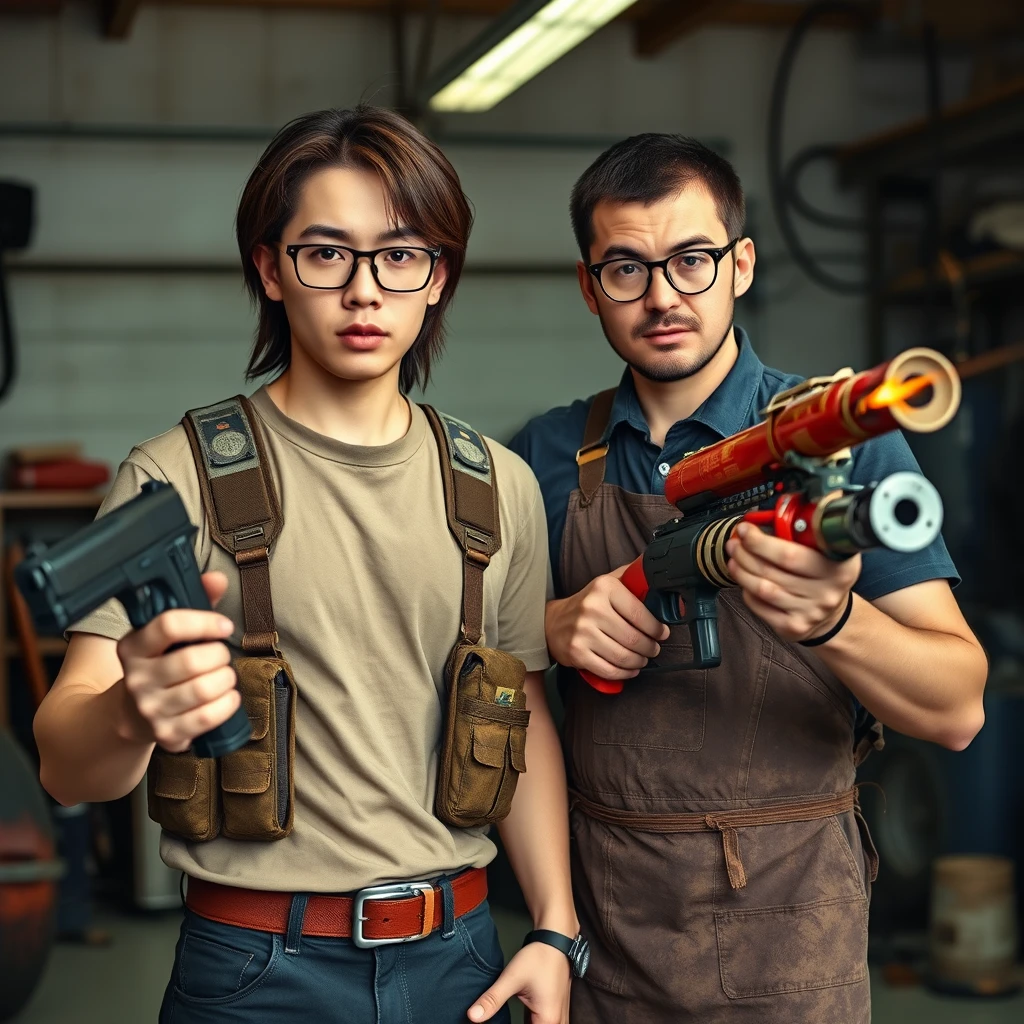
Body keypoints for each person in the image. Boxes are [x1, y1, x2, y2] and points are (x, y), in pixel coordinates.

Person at [34, 106, 578, 1024]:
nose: (365, 291)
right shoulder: (174, 478)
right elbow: (63, 763)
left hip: (463, 961)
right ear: (269, 267)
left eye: (400, 255)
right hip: (252, 972)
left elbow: (517, 715)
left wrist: (557, 931)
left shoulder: (500, 486)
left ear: (437, 277)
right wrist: (134, 709)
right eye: (326, 253)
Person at [509, 133, 988, 1023]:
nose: (662, 297)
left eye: (692, 260)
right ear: (588, 286)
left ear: (742, 264)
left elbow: (958, 705)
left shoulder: (842, 439)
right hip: (604, 932)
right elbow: (475, 674)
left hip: (794, 933)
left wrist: (836, 621)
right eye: (626, 269)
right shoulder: (538, 456)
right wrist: (548, 627)